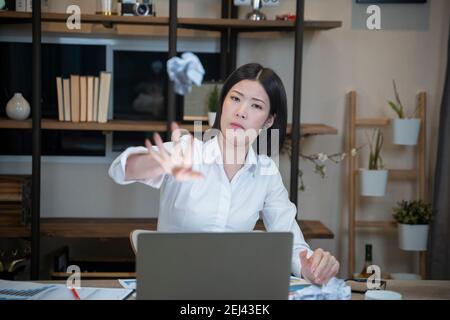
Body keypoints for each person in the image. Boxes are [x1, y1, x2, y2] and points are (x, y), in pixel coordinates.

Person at [109, 63, 340, 284]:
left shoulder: (266, 172)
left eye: (256, 106)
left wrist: (310, 267)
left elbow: (291, 242)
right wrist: (161, 162)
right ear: (223, 103)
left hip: (232, 290)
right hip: (173, 287)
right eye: (235, 99)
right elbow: (123, 169)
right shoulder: (188, 151)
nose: (241, 112)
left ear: (269, 120)